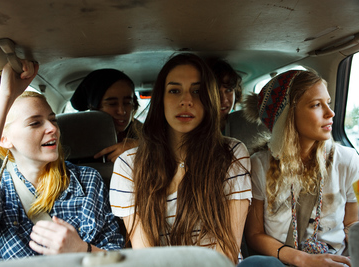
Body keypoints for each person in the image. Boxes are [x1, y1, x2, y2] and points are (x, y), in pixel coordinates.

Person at [0, 61, 124, 262]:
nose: (53, 128)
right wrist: (5, 95)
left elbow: (117, 257)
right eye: (35, 123)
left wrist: (81, 249)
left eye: (53, 120)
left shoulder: (87, 180)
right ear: (4, 139)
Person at [109, 53, 252, 264]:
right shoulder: (128, 165)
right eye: (175, 91)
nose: (186, 101)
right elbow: (147, 257)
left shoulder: (232, 153)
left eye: (197, 91)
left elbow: (227, 252)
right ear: (160, 100)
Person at [243, 69, 359, 266]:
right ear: (288, 117)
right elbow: (255, 234)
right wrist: (303, 259)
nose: (330, 112)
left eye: (328, 102)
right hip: (283, 261)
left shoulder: (347, 160)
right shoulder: (260, 164)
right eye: (316, 105)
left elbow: (351, 222)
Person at [70, 69, 141, 162]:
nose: (122, 111)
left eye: (127, 102)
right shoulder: (76, 139)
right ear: (94, 108)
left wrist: (139, 146)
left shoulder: (144, 133)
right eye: (112, 104)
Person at [209, 59, 242, 132]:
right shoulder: (194, 126)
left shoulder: (242, 124)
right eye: (216, 92)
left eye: (229, 90)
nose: (224, 99)